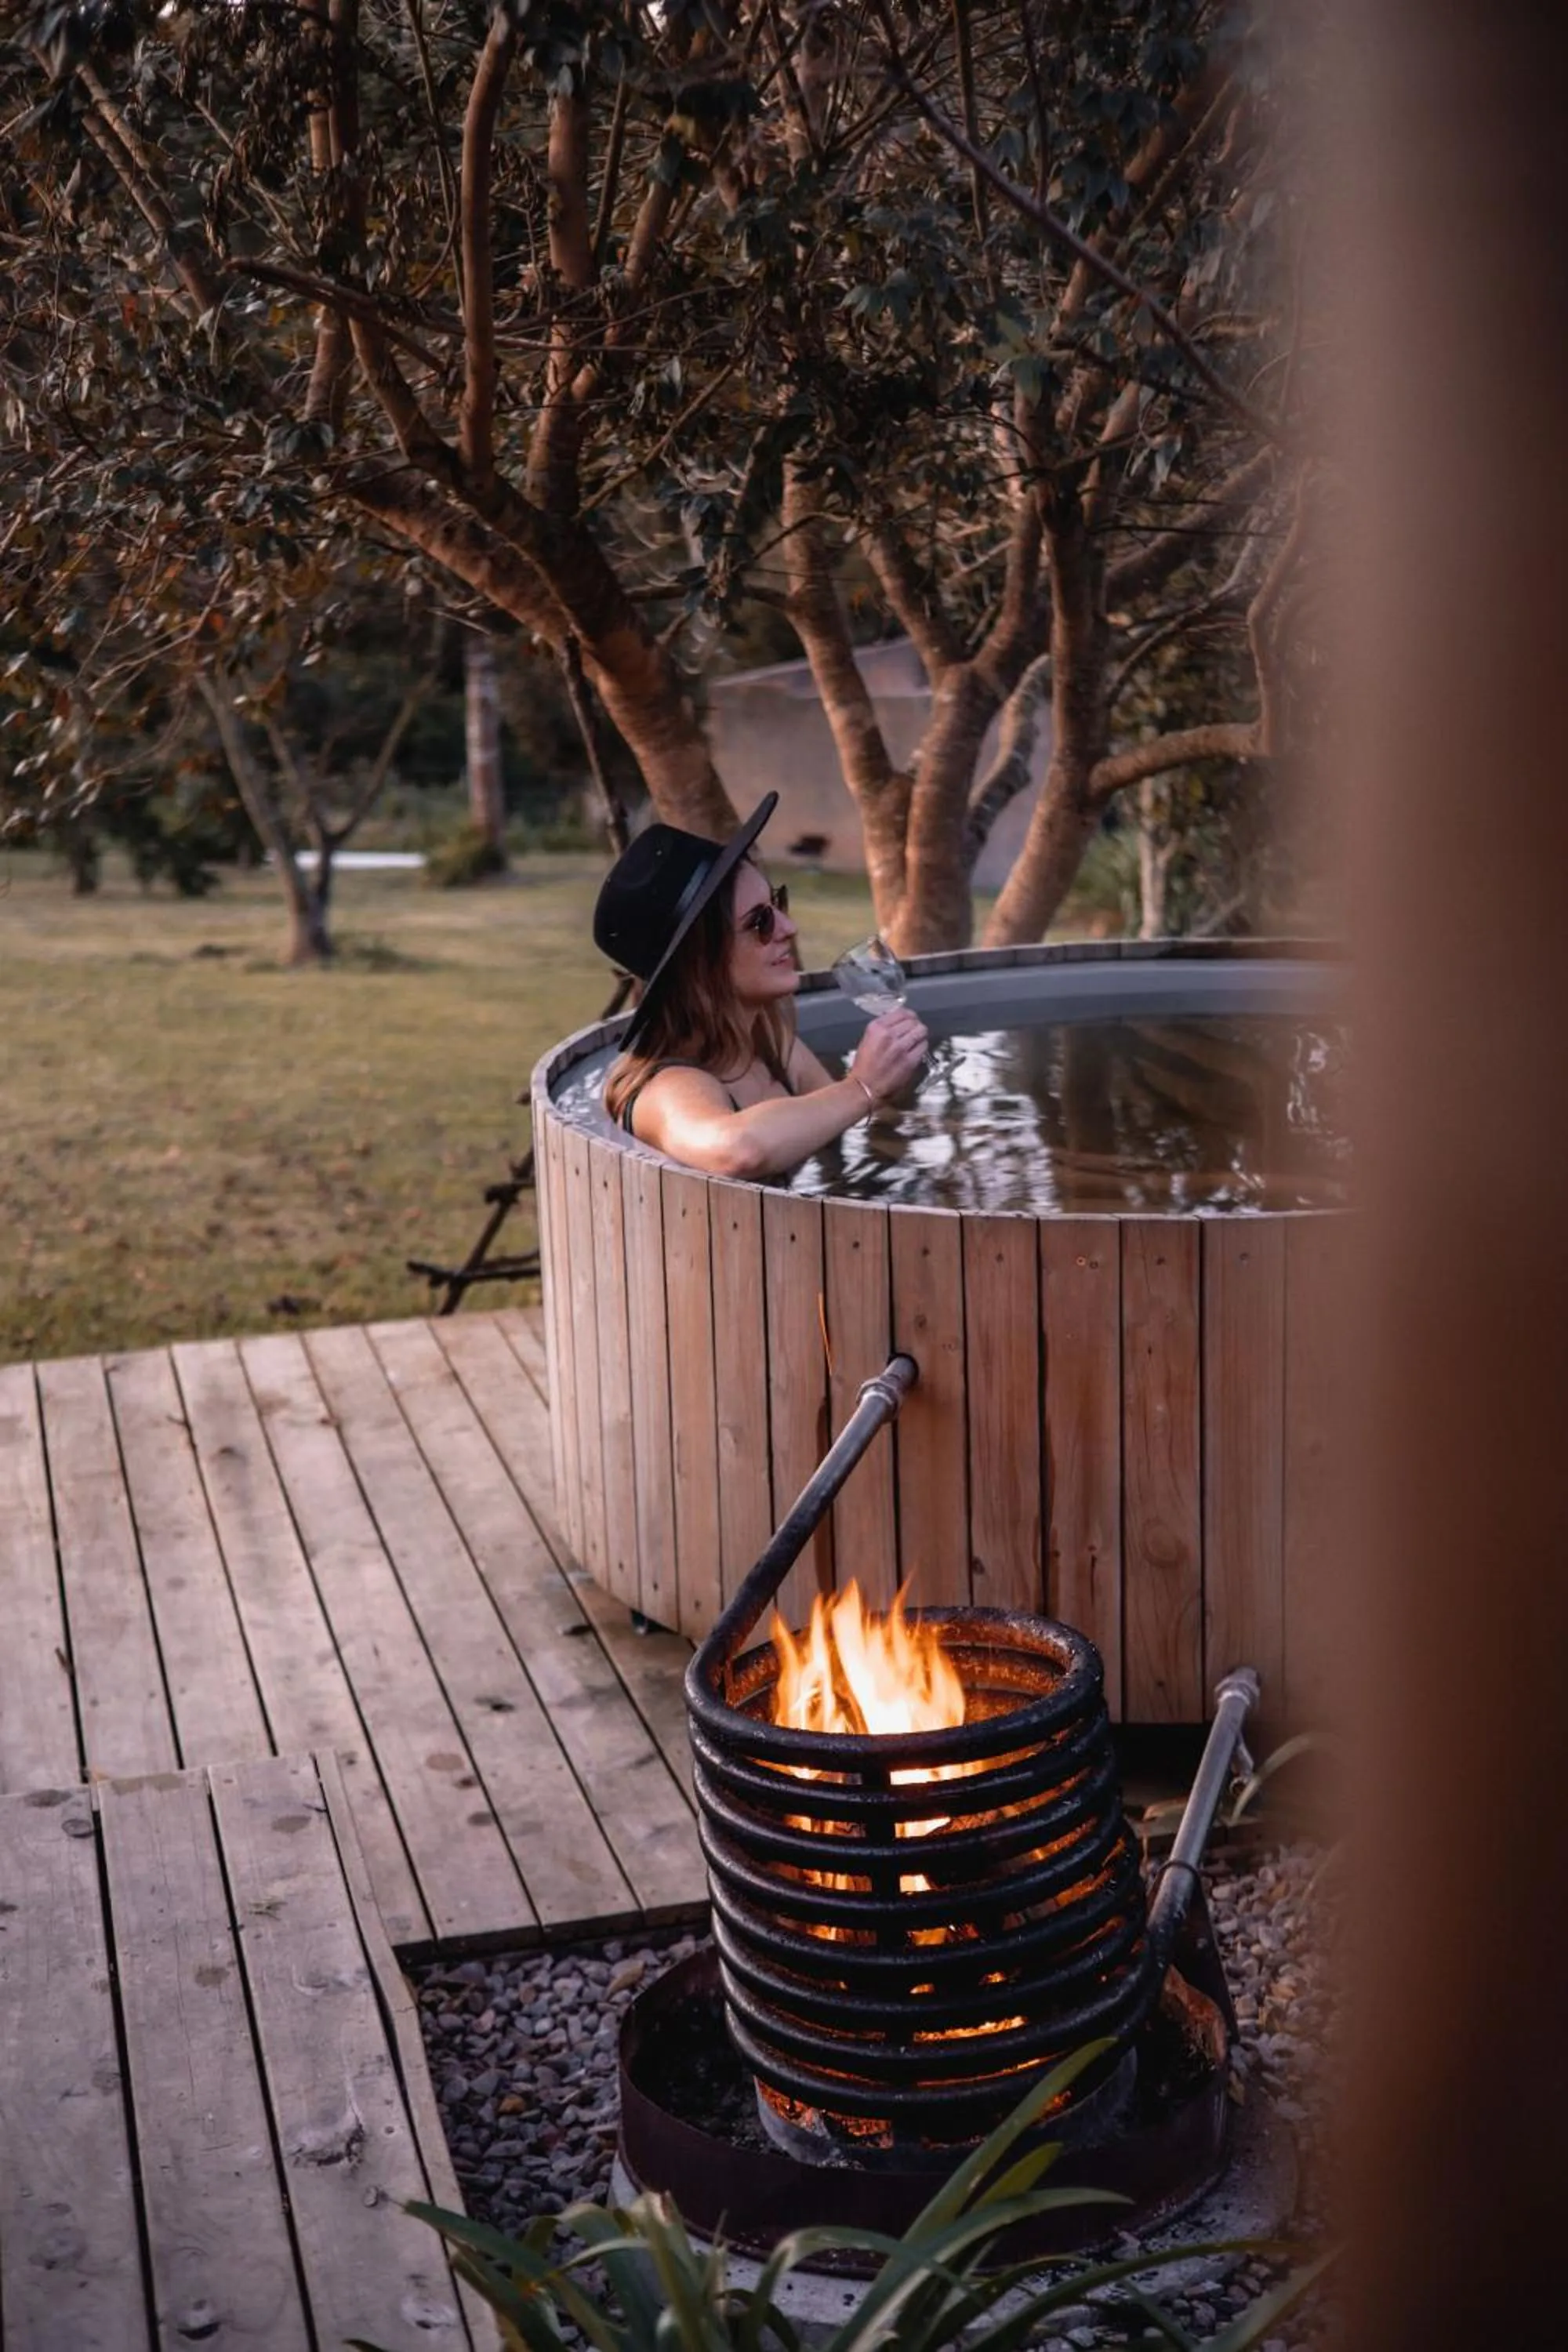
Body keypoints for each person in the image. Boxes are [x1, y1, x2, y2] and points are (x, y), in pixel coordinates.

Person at [593, 792, 927, 1178]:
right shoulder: (664, 1088)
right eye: (759, 922)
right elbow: (739, 1150)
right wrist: (863, 1086)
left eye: (777, 904)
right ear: (701, 960)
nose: (789, 928)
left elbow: (854, 1128)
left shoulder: (772, 1045)